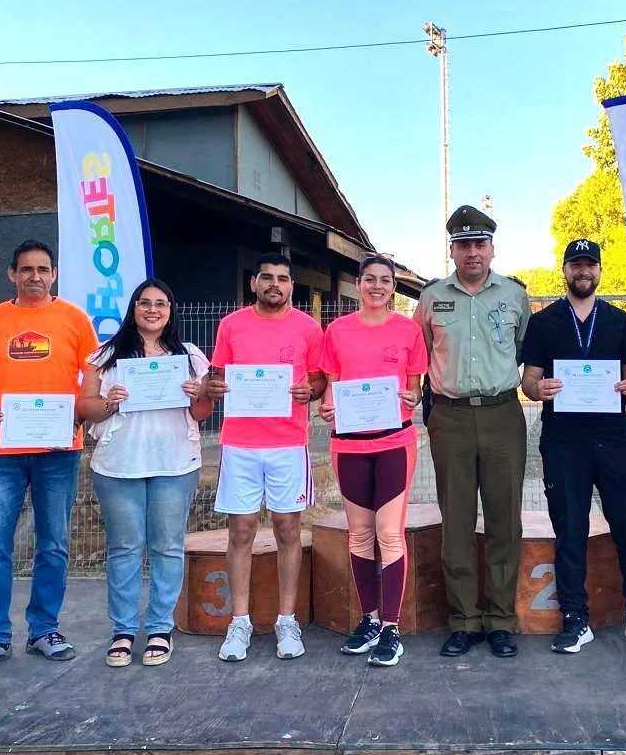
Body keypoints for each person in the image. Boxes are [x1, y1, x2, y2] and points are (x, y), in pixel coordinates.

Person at [0, 241, 99, 676]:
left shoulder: (75, 319)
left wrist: (79, 411)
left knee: (53, 544)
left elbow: (93, 375)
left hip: (58, 450)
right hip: (0, 451)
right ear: (11, 274)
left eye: (42, 269)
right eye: (26, 269)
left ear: (54, 274)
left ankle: (44, 630)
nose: (34, 276)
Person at [521, 239, 626, 654]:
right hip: (563, 439)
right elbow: (529, 380)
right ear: (565, 270)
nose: (583, 271)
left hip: (614, 437)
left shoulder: (620, 320)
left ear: (600, 270)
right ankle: (575, 617)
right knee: (570, 529)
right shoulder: (544, 322)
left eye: (590, 265)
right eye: (576, 264)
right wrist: (538, 389)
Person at [413, 205, 531, 659]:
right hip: (451, 417)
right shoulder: (431, 298)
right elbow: (419, 354)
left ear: (492, 248)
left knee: (505, 520)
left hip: (502, 414)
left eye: (479, 243)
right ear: (452, 251)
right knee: (457, 521)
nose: (472, 252)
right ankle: (463, 619)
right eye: (463, 245)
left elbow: (523, 350)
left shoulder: (514, 295)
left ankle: (500, 620)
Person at [78, 278, 214, 668]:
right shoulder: (105, 355)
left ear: (170, 310)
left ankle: (159, 628)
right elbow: (86, 408)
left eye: (160, 303)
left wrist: (198, 395)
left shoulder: (189, 356)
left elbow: (202, 414)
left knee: (167, 546)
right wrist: (109, 403)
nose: (153, 309)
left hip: (174, 464)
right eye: (144, 303)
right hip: (119, 465)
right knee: (124, 547)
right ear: (133, 309)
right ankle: (123, 630)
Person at [202, 253, 325, 663]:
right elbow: (217, 375)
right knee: (241, 531)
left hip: (288, 444)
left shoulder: (308, 327)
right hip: (240, 444)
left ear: (291, 285)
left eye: (283, 278)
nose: (275, 284)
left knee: (288, 529)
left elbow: (319, 380)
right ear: (254, 282)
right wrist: (215, 387)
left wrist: (312, 391)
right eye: (267, 277)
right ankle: (239, 621)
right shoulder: (231, 324)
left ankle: (286, 620)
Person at [318, 256, 429, 667]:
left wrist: (413, 397)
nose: (377, 286)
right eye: (370, 279)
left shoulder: (408, 330)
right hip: (348, 445)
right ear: (358, 283)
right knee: (360, 534)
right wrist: (327, 407)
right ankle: (369, 619)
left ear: (393, 287)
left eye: (385, 280)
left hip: (394, 442)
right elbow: (330, 388)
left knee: (389, 533)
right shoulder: (337, 330)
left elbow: (415, 389)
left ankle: (392, 629)